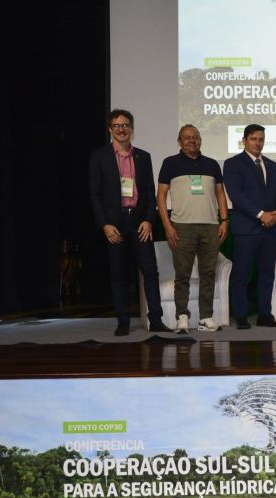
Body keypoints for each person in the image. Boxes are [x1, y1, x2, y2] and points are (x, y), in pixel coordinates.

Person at [89, 109, 172, 336]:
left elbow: (149, 191)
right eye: (117, 125)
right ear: (110, 129)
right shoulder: (99, 156)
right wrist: (104, 224)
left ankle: (155, 320)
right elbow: (94, 195)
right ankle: (123, 321)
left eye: (125, 125)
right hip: (114, 224)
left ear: (132, 130)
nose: (121, 129)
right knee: (119, 274)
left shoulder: (143, 157)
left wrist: (148, 220)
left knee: (150, 272)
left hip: (139, 223)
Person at [156, 124, 228, 333]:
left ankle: (205, 317)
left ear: (200, 140)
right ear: (179, 141)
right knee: (183, 275)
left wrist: (224, 220)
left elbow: (221, 194)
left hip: (210, 227)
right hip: (181, 227)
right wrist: (167, 226)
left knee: (208, 273)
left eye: (195, 137)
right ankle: (182, 317)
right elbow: (160, 196)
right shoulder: (170, 163)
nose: (192, 140)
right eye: (186, 137)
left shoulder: (212, 164)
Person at [223, 124, 276, 329]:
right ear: (244, 140)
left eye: (261, 139)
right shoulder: (233, 164)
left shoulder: (272, 165)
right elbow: (236, 195)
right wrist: (261, 214)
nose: (258, 143)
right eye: (253, 139)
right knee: (241, 274)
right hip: (246, 229)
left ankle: (264, 314)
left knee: (267, 274)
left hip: (270, 229)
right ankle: (240, 315)